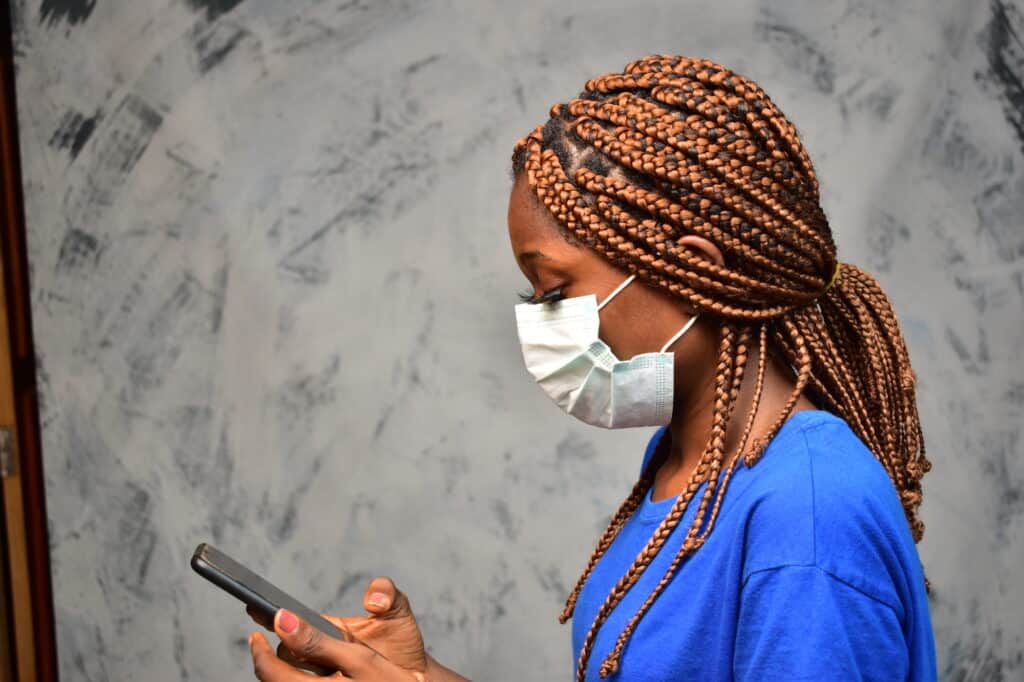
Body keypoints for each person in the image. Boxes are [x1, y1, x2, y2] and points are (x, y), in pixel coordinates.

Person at [247, 54, 938, 681]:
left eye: (553, 292)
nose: (541, 325)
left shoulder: (808, 514)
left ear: (693, 273)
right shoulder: (683, 467)